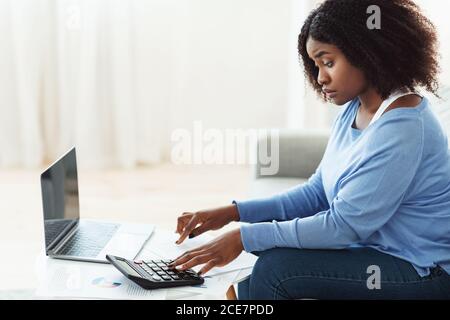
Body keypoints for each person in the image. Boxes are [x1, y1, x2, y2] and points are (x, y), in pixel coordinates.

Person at [168, 0, 450, 299]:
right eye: (315, 65)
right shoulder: (358, 107)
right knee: (247, 285)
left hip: (423, 271)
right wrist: (235, 212)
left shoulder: (402, 128)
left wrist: (245, 237)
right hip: (378, 253)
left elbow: (343, 226)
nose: (320, 78)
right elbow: (317, 192)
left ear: (367, 51)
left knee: (276, 269)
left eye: (328, 62)